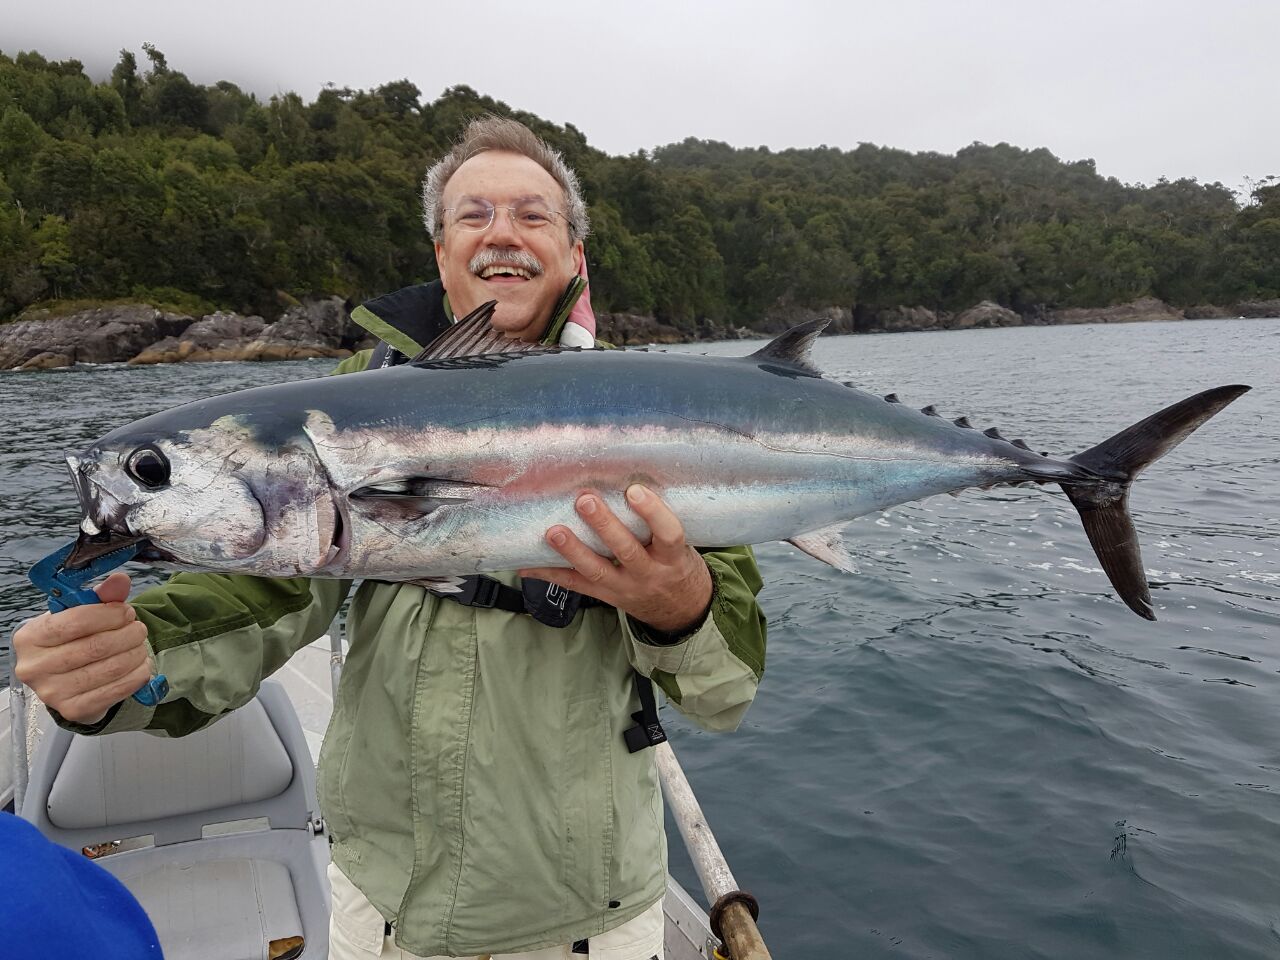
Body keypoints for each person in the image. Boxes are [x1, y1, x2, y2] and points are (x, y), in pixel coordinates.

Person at [12, 117, 767, 960]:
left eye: (533, 214)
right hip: (381, 906)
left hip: (587, 918)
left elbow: (726, 691)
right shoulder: (350, 401)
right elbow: (262, 593)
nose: (502, 234)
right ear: (441, 253)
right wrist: (133, 658)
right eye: (472, 215)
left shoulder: (658, 407)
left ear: (573, 252)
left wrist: (680, 607)